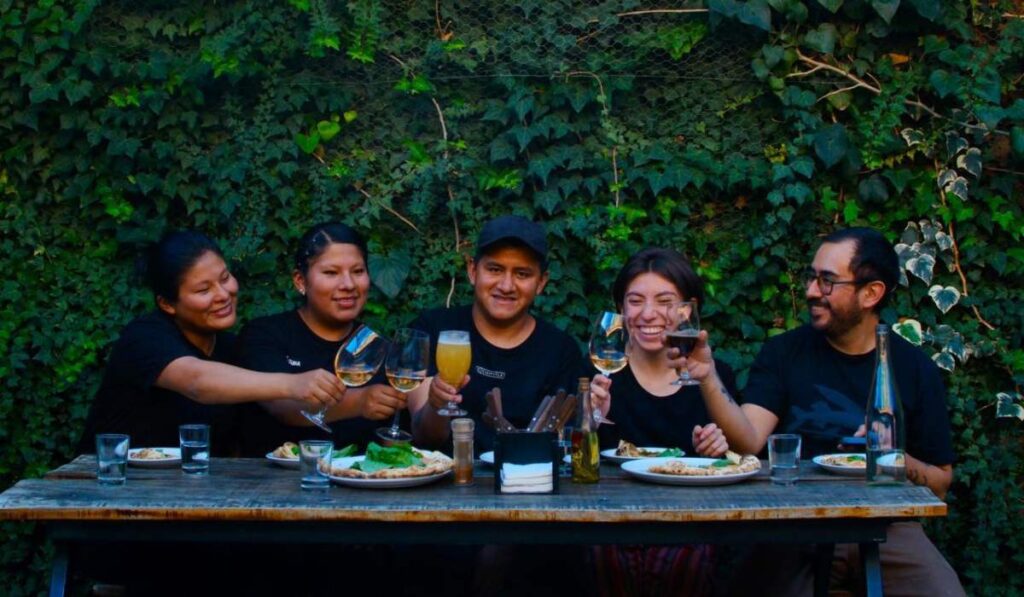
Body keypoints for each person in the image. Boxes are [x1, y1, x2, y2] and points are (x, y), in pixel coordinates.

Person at [678, 227, 964, 596]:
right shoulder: (784, 353)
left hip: (886, 526)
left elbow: (939, 485)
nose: (812, 291)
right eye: (811, 277)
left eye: (827, 281)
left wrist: (891, 457)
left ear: (871, 293)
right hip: (794, 524)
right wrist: (706, 375)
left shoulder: (913, 368)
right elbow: (748, 440)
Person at [78, 230, 345, 455]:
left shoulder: (230, 347)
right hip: (112, 485)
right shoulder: (145, 337)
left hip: (194, 493)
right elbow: (196, 381)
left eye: (225, 278)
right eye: (203, 290)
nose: (223, 294)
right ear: (167, 304)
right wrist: (292, 383)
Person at [587, 248, 732, 597]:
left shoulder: (712, 377)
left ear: (688, 310)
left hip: (690, 524)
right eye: (635, 301)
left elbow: (738, 454)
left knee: (689, 560)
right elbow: (568, 462)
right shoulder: (599, 374)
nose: (648, 313)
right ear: (621, 310)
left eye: (665, 301)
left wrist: (717, 447)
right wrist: (589, 420)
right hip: (611, 522)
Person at [409, 215, 585, 452]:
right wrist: (436, 404)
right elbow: (423, 437)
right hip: (447, 475)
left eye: (522, 274)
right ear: (473, 270)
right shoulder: (432, 329)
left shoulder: (560, 350)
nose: (506, 286)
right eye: (495, 269)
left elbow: (566, 443)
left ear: (541, 282)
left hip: (529, 474)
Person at [235, 222, 407, 456]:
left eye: (358, 271)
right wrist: (359, 402)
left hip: (356, 477)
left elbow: (392, 442)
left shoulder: (376, 348)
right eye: (331, 273)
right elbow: (281, 406)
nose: (348, 284)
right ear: (300, 280)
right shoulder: (265, 334)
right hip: (271, 477)